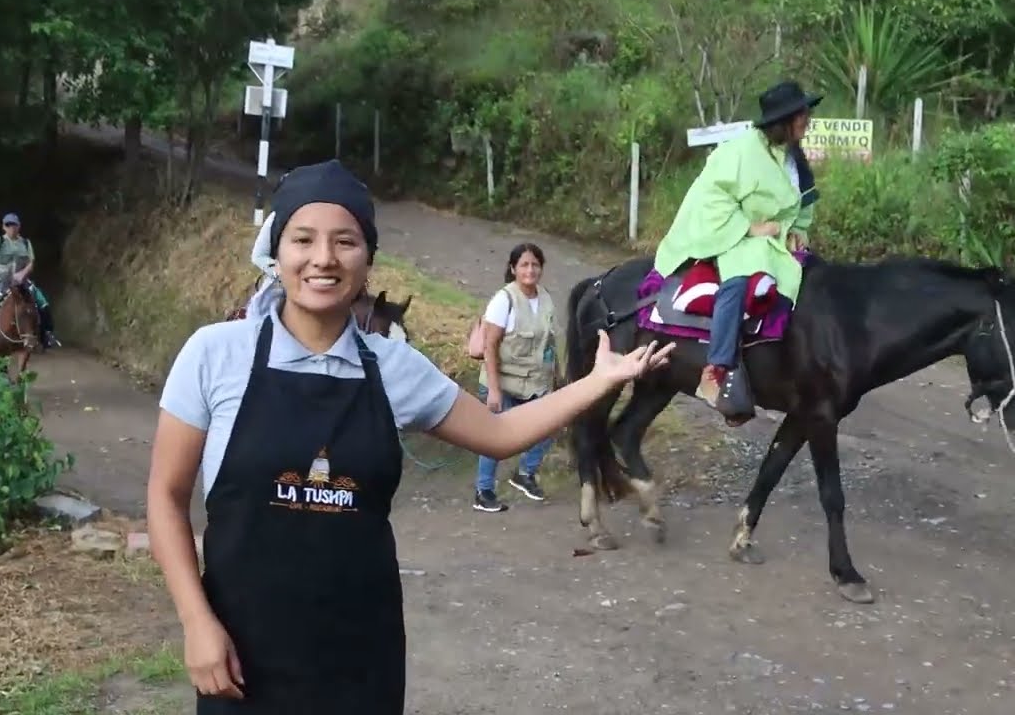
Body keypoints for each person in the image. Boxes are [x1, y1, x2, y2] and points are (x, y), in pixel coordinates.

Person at [146, 158, 675, 715]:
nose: (323, 258)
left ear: (368, 258)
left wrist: (597, 382)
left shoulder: (394, 366)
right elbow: (165, 496)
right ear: (277, 252)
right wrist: (196, 621)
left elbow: (499, 433)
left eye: (345, 241)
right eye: (303, 239)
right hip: (238, 656)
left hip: (360, 657)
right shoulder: (215, 354)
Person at [653, 79, 821, 411]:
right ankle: (716, 367)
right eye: (802, 114)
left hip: (775, 236)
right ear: (784, 121)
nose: (807, 119)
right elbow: (713, 197)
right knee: (741, 279)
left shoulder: (795, 158)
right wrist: (749, 228)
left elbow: (803, 203)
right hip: (732, 233)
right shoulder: (739, 152)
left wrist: (798, 229)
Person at [472, 242, 557, 512]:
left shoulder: (545, 298)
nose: (530, 270)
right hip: (503, 382)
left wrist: (557, 378)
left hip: (534, 383)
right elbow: (490, 346)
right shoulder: (503, 300)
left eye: (535, 264)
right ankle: (483, 490)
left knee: (550, 427)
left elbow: (549, 343)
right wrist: (495, 391)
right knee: (495, 438)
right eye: (524, 265)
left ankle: (525, 474)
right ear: (513, 269)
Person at [0, 212, 59, 349]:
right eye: (8, 225)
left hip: (21, 280)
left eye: (14, 224)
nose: (11, 227)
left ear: (19, 226)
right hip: (1, 279)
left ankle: (46, 334)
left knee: (42, 303)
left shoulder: (25, 243)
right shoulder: (0, 240)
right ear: (4, 227)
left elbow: (31, 262)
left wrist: (23, 274)